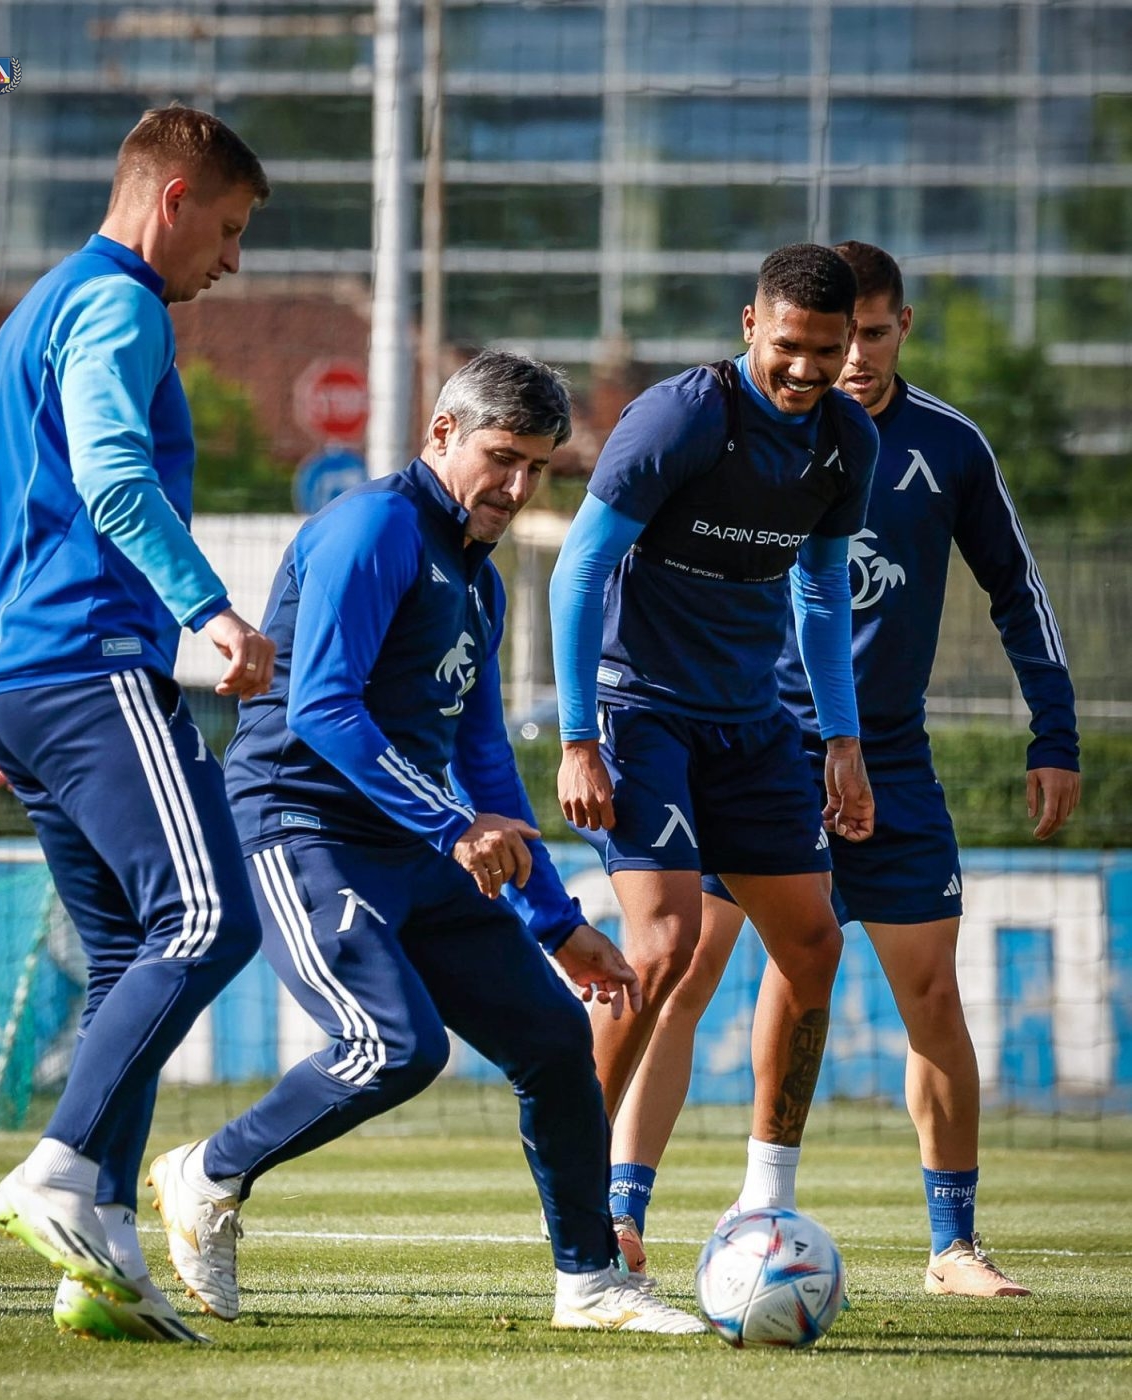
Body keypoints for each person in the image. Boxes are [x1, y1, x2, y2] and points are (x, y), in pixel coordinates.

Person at [146, 351, 706, 1335]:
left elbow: (483, 759)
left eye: (539, 467)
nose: (518, 487)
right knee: (395, 1047)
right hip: (299, 828)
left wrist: (556, 924)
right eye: (503, 458)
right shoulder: (373, 529)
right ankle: (207, 1173)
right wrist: (453, 829)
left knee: (553, 1041)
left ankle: (591, 1283)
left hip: (411, 841)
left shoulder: (478, 585)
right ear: (442, 434)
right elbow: (322, 708)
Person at [606, 241, 1081, 1296]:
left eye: (869, 335)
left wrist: (1054, 733)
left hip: (888, 758)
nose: (849, 358)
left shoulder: (946, 447)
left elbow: (1018, 590)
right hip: (749, 743)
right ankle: (625, 1212)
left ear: (901, 327)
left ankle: (952, 1246)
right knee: (682, 971)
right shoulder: (740, 424)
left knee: (932, 995)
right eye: (833, 339)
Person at [0, 105, 277, 1344]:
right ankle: (57, 1172)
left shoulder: (31, 313)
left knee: (128, 953)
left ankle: (104, 1255)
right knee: (209, 917)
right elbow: (114, 477)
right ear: (173, 198)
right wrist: (211, 611)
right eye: (229, 230)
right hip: (92, 664)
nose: (231, 261)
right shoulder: (123, 304)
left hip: (25, 676)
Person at [549, 244, 881, 1276]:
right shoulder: (681, 418)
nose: (806, 369)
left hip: (751, 725)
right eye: (788, 346)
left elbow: (820, 591)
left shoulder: (848, 441)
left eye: (827, 350)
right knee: (662, 949)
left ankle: (766, 1201)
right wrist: (577, 738)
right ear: (750, 325)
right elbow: (580, 567)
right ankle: (582, 1211)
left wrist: (842, 738)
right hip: (640, 712)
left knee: (813, 945)